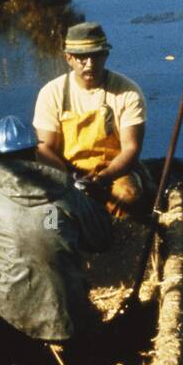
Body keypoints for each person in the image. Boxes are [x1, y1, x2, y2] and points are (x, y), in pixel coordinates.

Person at [0, 115, 112, 344]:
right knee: (55, 229)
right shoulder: (66, 192)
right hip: (66, 319)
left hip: (6, 313)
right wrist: (93, 203)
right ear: (35, 153)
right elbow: (102, 241)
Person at [33, 22, 149, 218]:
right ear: (68, 58)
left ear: (106, 55)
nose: (90, 64)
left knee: (128, 197)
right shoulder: (51, 93)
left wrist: (102, 179)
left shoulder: (128, 91)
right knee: (47, 209)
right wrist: (70, 180)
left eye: (96, 56)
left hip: (113, 172)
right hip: (66, 173)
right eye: (81, 58)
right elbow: (44, 148)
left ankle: (119, 238)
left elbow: (131, 148)